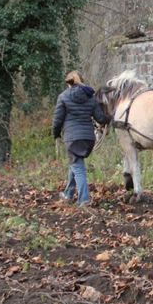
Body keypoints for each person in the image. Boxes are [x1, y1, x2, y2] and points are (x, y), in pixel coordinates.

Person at [52, 70, 109, 206]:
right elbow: (100, 118)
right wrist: (110, 118)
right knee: (75, 164)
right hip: (88, 138)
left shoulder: (63, 97)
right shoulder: (91, 97)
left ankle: (84, 199)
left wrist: (56, 134)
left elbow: (57, 120)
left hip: (72, 138)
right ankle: (68, 194)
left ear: (68, 83)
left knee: (78, 168)